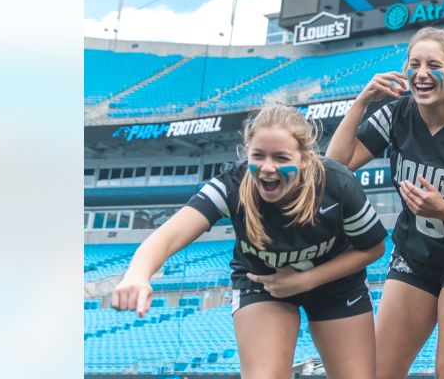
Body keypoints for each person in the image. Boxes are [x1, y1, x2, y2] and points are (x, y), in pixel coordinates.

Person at [111, 105, 387, 379]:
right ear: (246, 154)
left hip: (336, 286)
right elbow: (168, 234)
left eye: (281, 157)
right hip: (263, 284)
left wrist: (308, 280)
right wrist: (137, 274)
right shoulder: (232, 184)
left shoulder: (336, 183)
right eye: (259, 155)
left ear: (305, 159)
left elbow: (373, 247)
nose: (267, 168)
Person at [326, 27, 444, 379]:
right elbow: (334, 167)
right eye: (415, 63)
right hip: (414, 257)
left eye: (433, 65)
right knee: (377, 370)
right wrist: (362, 101)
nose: (422, 73)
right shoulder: (396, 114)